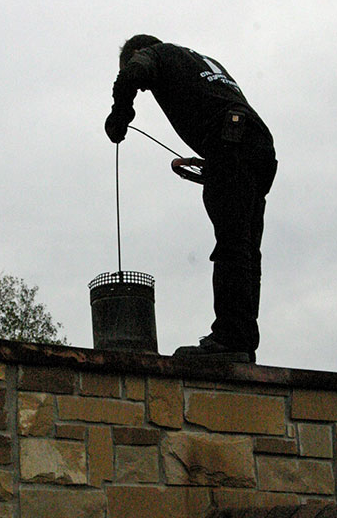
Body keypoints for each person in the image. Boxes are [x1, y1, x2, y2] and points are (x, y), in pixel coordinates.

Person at [105, 35, 277, 363]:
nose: (144, 90)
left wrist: (119, 115)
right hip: (258, 146)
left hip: (232, 141)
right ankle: (242, 340)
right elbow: (222, 114)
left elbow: (130, 76)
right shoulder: (199, 61)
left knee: (232, 245)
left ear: (138, 53)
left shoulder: (154, 54)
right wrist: (211, 166)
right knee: (246, 248)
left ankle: (230, 339)